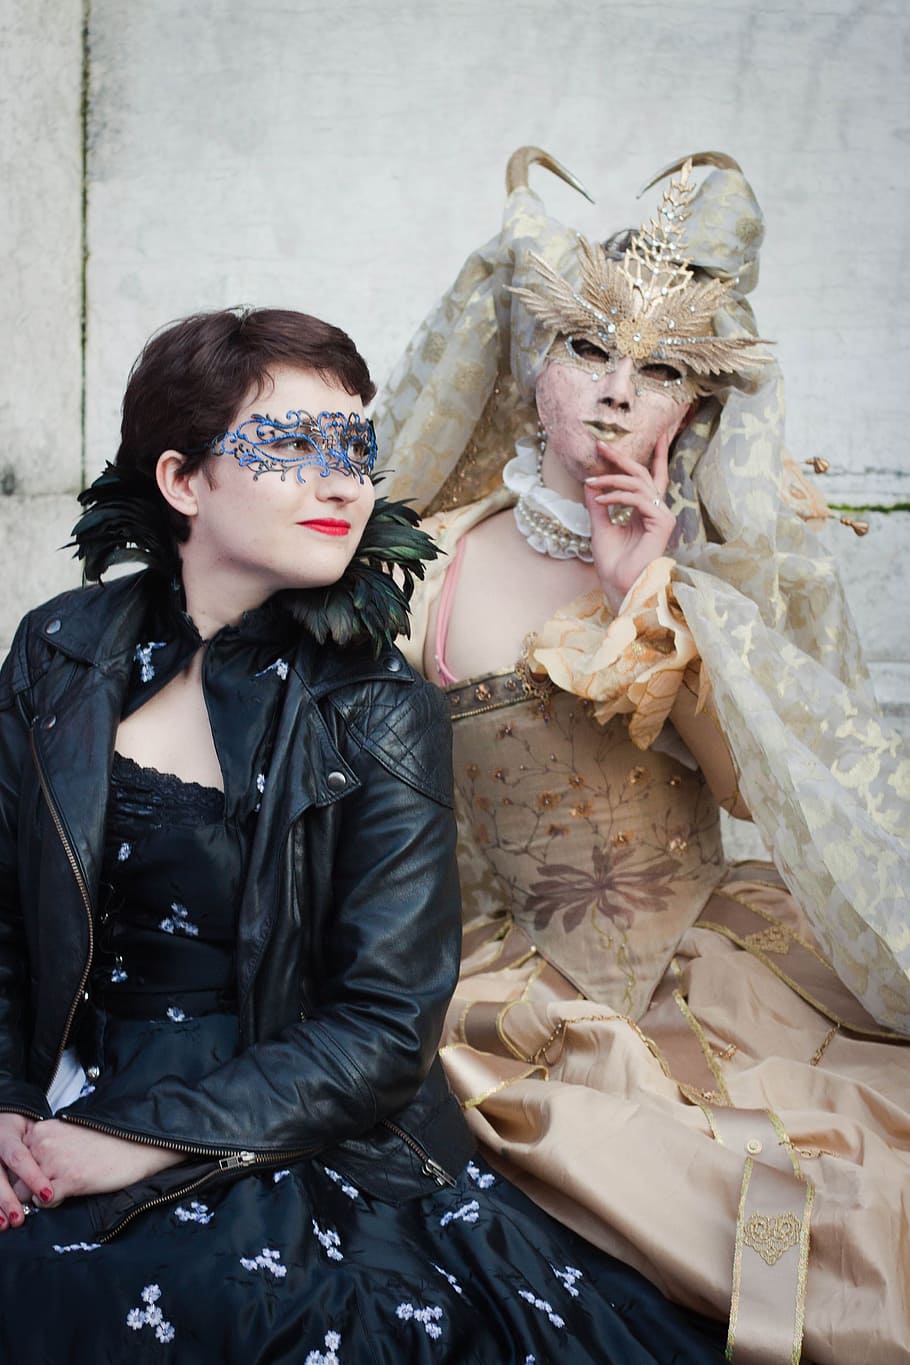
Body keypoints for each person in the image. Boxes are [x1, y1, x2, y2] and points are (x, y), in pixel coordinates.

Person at [0, 308, 726, 1362]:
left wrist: (127, 1141)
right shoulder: (61, 650)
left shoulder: (377, 704)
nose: (343, 483)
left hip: (279, 1118)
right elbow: (8, 923)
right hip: (57, 1085)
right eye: (293, 449)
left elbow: (385, 1025)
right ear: (181, 482)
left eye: (353, 449)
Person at [373, 151, 910, 1365]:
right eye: (586, 350)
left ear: (694, 407)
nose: (615, 395)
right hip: (504, 983)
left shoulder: (710, 577)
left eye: (658, 367)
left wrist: (649, 600)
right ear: (529, 360)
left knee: (836, 1181)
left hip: (720, 953)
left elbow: (741, 791)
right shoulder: (431, 554)